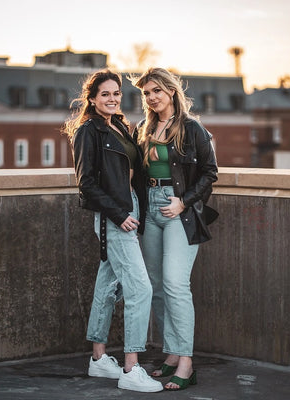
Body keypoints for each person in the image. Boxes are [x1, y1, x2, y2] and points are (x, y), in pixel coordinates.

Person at [63, 69, 163, 393]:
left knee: (107, 287)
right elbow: (86, 185)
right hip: (115, 216)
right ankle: (131, 368)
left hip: (128, 209)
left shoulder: (119, 125)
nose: (112, 99)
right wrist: (119, 215)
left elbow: (134, 171)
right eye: (105, 94)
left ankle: (98, 358)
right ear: (92, 98)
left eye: (116, 93)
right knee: (140, 288)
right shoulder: (87, 132)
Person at [131, 68, 218, 391]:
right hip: (150, 209)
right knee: (155, 285)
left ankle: (186, 362)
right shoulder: (144, 128)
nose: (152, 97)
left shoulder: (192, 128)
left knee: (175, 284)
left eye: (157, 90)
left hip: (178, 210)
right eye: (147, 93)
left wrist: (184, 202)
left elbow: (209, 173)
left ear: (170, 91)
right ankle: (170, 355)